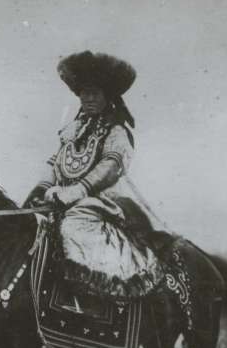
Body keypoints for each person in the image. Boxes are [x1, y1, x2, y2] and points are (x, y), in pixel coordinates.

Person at [24, 51, 164, 299]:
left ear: (107, 97)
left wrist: (76, 191)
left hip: (100, 203)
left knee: (73, 226)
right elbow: (55, 162)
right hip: (62, 200)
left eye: (94, 93)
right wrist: (39, 192)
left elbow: (110, 167)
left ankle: (90, 293)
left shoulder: (116, 131)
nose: (87, 98)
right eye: (84, 93)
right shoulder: (72, 130)